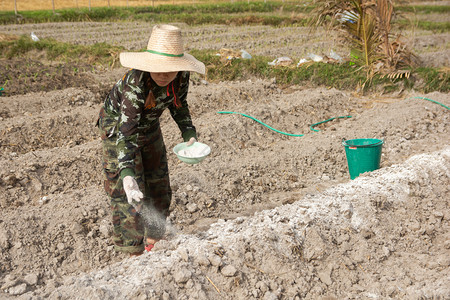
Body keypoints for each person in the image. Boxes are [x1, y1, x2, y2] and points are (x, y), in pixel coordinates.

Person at [97, 24, 205, 256]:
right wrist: (126, 174)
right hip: (119, 129)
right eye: (159, 69)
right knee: (130, 193)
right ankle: (133, 253)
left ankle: (153, 240)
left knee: (158, 182)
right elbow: (127, 132)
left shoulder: (180, 77)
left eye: (171, 69)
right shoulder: (136, 83)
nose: (165, 75)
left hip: (150, 125)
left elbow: (179, 104)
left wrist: (189, 133)